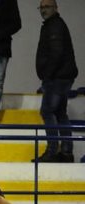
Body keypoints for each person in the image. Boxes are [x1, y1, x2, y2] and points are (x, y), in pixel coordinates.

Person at [33, 0, 79, 163]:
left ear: (55, 8)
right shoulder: (53, 24)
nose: (43, 10)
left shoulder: (54, 26)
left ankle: (52, 151)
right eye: (41, 7)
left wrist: (47, 76)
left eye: (47, 7)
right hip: (62, 76)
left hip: (57, 77)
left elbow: (56, 53)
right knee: (60, 113)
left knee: (47, 111)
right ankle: (66, 152)